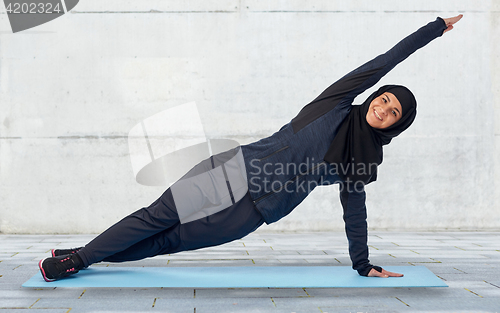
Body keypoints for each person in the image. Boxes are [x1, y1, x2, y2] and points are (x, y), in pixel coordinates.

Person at [38, 14, 463, 282]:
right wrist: (433, 30)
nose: (384, 108)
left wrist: (362, 262)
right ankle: (76, 260)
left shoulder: (364, 159)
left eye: (394, 112)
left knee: (168, 242)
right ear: (374, 96)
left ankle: (82, 254)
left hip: (256, 211)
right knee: (155, 217)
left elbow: (354, 206)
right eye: (385, 98)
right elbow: (383, 62)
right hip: (234, 169)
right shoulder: (333, 103)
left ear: (397, 125)